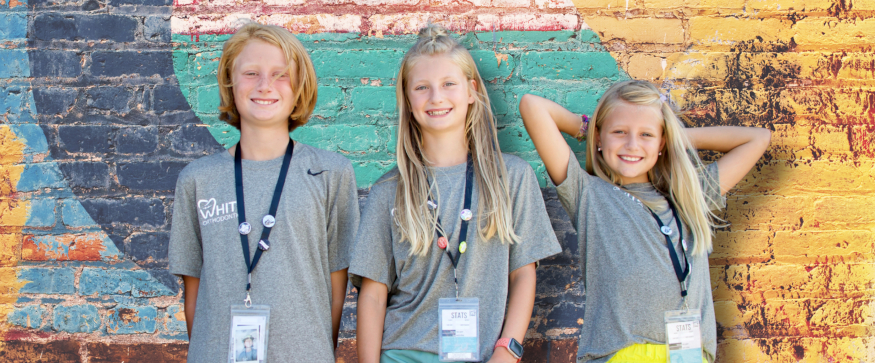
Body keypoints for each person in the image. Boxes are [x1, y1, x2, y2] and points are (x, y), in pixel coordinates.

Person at [519, 80, 771, 363]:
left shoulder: (689, 195)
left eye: (646, 135)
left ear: (662, 142)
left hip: (687, 355)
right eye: (620, 132)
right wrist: (591, 130)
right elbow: (532, 105)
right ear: (600, 139)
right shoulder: (588, 194)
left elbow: (757, 138)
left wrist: (673, 134)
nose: (632, 145)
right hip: (621, 355)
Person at [350, 25, 561, 363]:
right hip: (403, 352)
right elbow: (373, 295)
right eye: (422, 87)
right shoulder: (389, 190)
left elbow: (524, 273)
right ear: (407, 98)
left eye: (449, 84)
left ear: (471, 91)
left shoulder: (512, 177)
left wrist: (507, 351)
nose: (436, 97)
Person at [169, 22, 360, 363]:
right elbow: (193, 292)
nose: (264, 86)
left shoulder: (332, 173)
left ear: (300, 86)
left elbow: (336, 290)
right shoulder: (197, 180)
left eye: (280, 75)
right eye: (251, 73)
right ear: (230, 82)